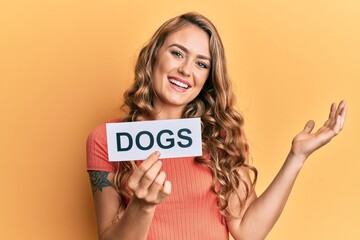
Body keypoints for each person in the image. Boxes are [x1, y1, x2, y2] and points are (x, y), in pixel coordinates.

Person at [86, 12, 347, 240]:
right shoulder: (107, 140)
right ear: (154, 56)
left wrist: (296, 157)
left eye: (201, 64)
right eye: (177, 53)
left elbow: (248, 231)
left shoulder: (220, 135)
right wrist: (142, 206)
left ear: (208, 78)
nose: (186, 70)